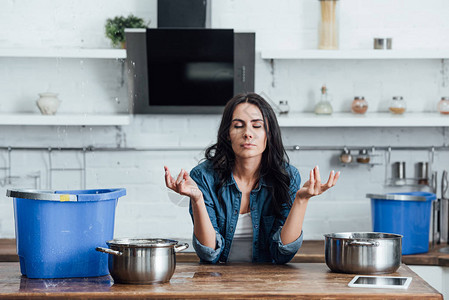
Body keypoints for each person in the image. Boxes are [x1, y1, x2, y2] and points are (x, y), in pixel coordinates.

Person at [164, 92, 339, 264]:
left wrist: (301, 200)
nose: (248, 133)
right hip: (216, 281)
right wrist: (197, 200)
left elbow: (282, 254)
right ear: (227, 134)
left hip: (268, 283)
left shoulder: (287, 176)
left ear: (268, 133)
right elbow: (209, 254)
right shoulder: (204, 176)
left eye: (257, 126)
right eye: (238, 125)